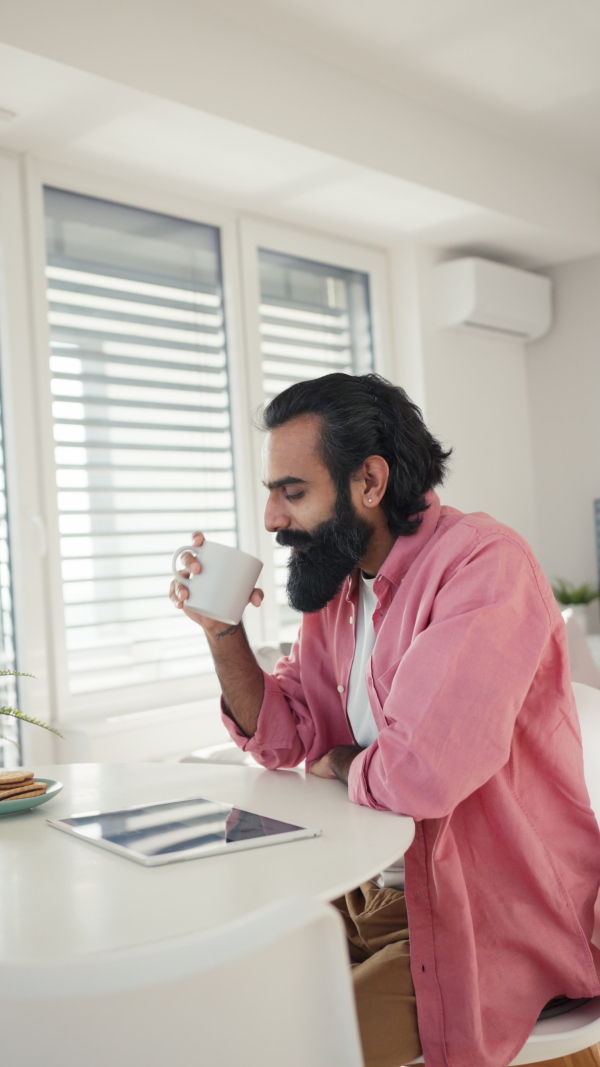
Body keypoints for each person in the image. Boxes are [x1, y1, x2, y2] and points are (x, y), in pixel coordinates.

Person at [169, 372, 600, 1067]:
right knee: (214, 1004)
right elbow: (287, 738)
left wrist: (339, 762)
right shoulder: (336, 589)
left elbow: (417, 774)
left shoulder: (484, 566)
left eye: (294, 491)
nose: (274, 519)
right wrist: (223, 633)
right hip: (366, 892)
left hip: (483, 917)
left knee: (290, 1049)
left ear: (369, 480)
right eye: (272, 493)